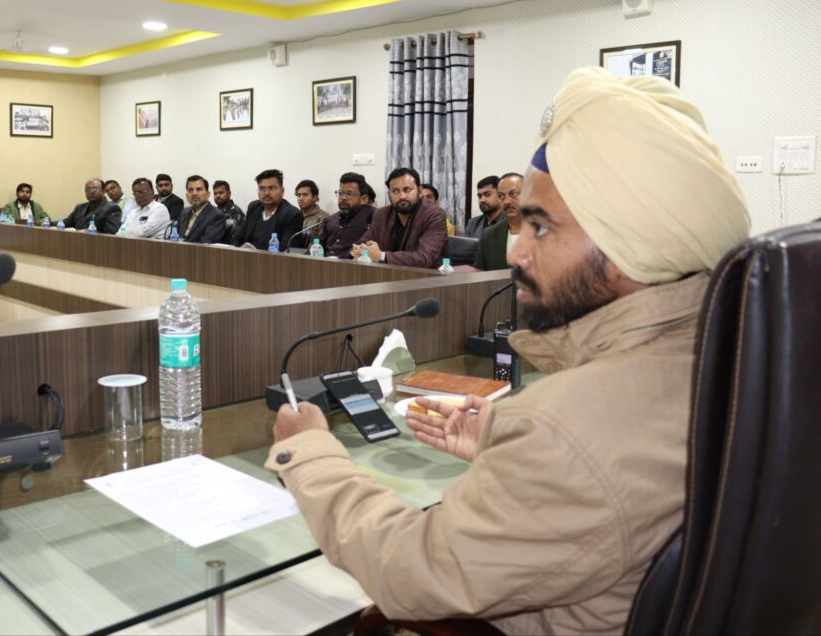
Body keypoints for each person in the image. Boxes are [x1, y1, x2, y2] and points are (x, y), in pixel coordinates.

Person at [266, 66, 751, 634]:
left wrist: (310, 454)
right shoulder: (729, 353)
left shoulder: (568, 426)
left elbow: (412, 572)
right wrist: (508, 444)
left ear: (631, 246)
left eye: (540, 228)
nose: (517, 252)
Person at [353, 168, 448, 268]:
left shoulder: (434, 215)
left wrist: (381, 256)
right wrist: (359, 250)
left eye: (407, 190)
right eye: (395, 191)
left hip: (427, 276)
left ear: (419, 191)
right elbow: (362, 243)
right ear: (389, 195)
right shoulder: (381, 214)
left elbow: (425, 258)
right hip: (386, 275)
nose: (402, 196)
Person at [231, 169, 301, 250]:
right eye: (262, 189)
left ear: (282, 191)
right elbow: (238, 238)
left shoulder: (292, 215)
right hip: (246, 255)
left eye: (272, 188)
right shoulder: (253, 207)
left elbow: (286, 250)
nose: (266, 193)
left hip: (272, 257)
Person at [473, 174, 523, 270]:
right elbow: (479, 272)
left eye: (513, 194)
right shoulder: (489, 234)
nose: (506, 201)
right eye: (501, 196)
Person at [321, 172, 374, 259]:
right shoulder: (331, 219)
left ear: (363, 199)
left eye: (349, 194)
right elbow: (317, 247)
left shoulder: (373, 216)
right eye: (340, 193)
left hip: (352, 265)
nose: (343, 198)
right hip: (324, 264)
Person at [176, 175, 227, 244]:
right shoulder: (184, 212)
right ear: (187, 195)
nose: (194, 193)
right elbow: (175, 236)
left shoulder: (217, 216)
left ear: (208, 194)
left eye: (198, 189)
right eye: (190, 190)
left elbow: (206, 243)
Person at [463, 175, 506, 239]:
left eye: (487, 195)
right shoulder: (473, 223)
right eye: (480, 196)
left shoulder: (511, 222)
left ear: (500, 195)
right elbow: (465, 245)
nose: (482, 200)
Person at [294, 179, 328, 244]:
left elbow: (321, 243)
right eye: (298, 195)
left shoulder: (323, 218)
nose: (300, 198)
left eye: (305, 195)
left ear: (314, 197)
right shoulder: (294, 215)